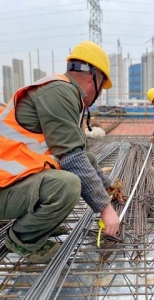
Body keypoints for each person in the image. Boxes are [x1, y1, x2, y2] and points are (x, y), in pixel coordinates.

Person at [0, 41, 123, 263]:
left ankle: (40, 226)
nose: (100, 94)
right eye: (102, 86)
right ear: (92, 77)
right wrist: (106, 210)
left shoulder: (64, 93)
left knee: (79, 170)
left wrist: (108, 188)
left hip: (10, 183)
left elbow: (84, 155)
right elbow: (73, 158)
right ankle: (23, 240)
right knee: (67, 184)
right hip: (3, 186)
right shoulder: (60, 91)